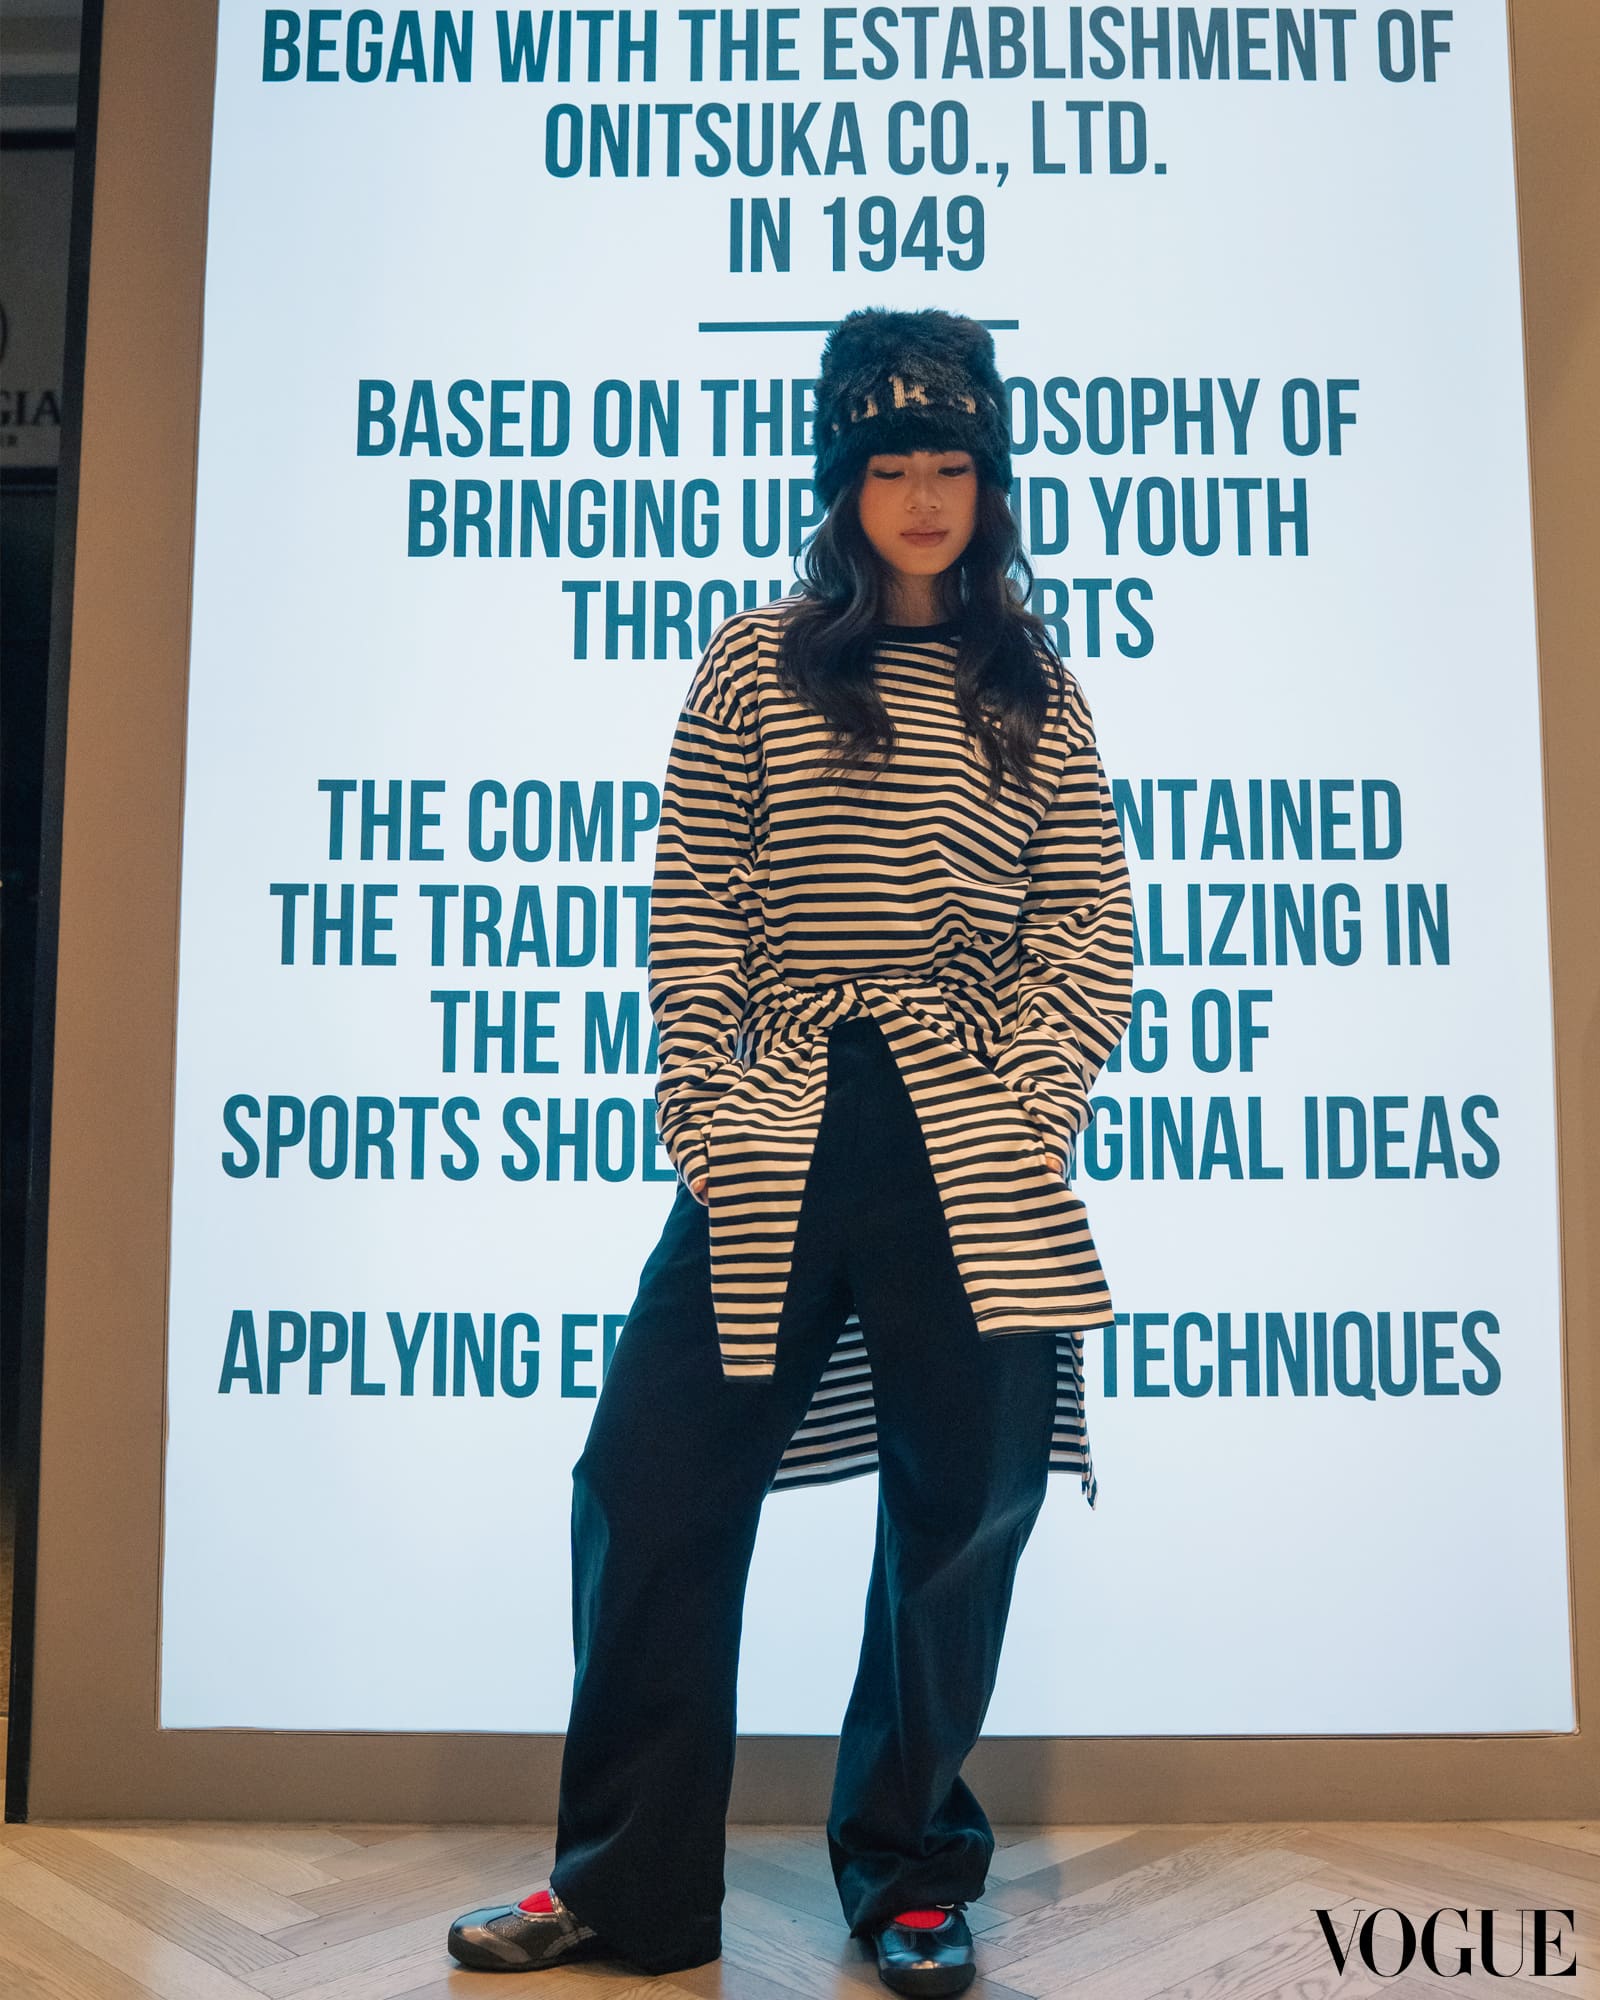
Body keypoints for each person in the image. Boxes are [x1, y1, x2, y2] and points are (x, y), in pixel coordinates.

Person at [447, 306, 1135, 1996]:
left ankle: (910, 1872)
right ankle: (625, 1883)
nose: (924, 497)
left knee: (962, 1512)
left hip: (968, 1135)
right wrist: (706, 1100)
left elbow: (1087, 920)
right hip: (779, 1124)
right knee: (649, 1484)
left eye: (952, 464)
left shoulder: (1033, 685)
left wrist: (1024, 1098)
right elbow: (696, 896)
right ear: (844, 483)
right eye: (890, 466)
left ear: (991, 480)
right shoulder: (755, 664)